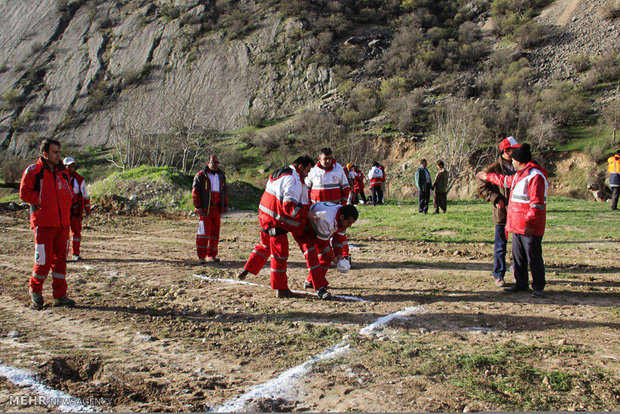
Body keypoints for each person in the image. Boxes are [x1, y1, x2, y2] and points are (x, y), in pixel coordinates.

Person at [237, 155, 315, 298]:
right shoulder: (293, 181)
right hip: (276, 221)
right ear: (301, 167)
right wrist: (305, 214)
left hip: (264, 215)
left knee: (265, 246)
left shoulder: (282, 172)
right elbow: (289, 207)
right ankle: (281, 289)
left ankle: (247, 268)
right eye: (307, 171)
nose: (308, 175)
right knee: (280, 254)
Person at [477, 143, 548, 298]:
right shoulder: (519, 174)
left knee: (533, 256)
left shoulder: (535, 176)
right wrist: (486, 176)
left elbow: (536, 204)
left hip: (528, 226)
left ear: (520, 161)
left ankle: (538, 286)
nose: (512, 163)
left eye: (514, 160)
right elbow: (504, 181)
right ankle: (521, 283)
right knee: (519, 257)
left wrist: (530, 223)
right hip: (516, 224)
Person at [20, 139, 75, 309]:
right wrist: (43, 200)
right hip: (44, 225)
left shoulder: (63, 172)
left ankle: (60, 295)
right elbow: (24, 193)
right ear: (45, 154)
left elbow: (68, 192)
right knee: (43, 261)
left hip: (62, 224)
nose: (59, 155)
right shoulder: (34, 171)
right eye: (55, 152)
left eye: (59, 151)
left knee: (60, 262)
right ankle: (35, 290)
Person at [477, 136, 520, 287]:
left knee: (518, 246)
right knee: (500, 246)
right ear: (505, 151)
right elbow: (481, 187)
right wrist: (495, 199)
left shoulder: (520, 166)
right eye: (513, 149)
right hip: (501, 213)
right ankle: (499, 274)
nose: (516, 151)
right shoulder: (493, 168)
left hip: (518, 213)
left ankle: (517, 272)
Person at [297, 203, 359, 300]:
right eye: (349, 223)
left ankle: (310, 281)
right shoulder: (326, 219)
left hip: (317, 228)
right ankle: (319, 287)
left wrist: (339, 256)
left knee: (325, 258)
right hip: (304, 227)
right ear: (342, 217)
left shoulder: (341, 217)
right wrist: (334, 259)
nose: (350, 226)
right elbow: (322, 244)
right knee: (312, 255)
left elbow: (338, 239)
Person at [306, 148, 352, 263]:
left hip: (335, 210)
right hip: (318, 212)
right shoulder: (312, 171)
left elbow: (346, 188)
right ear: (319, 158)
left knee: (340, 234)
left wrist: (343, 205)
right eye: (325, 159)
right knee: (320, 236)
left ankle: (344, 257)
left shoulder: (338, 169)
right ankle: (323, 258)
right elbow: (306, 189)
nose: (328, 161)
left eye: (330, 158)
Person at [192, 155, 228, 263]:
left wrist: (225, 205)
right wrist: (198, 206)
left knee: (215, 233)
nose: (215, 164)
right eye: (213, 162)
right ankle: (201, 257)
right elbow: (195, 193)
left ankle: (212, 255)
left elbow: (224, 192)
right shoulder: (200, 176)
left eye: (217, 162)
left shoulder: (221, 176)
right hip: (205, 209)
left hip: (216, 209)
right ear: (208, 163)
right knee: (203, 233)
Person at [63, 157, 91, 261]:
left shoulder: (79, 180)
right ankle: (63, 255)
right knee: (63, 235)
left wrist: (87, 209)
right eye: (68, 166)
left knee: (76, 233)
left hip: (75, 210)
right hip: (63, 211)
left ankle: (75, 254)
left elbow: (85, 196)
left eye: (72, 166)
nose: (71, 168)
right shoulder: (58, 178)